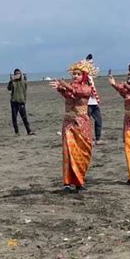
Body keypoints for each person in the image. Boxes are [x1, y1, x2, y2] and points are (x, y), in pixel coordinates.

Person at [49, 59, 96, 193]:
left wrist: (64, 85)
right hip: (68, 123)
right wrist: (59, 88)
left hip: (82, 123)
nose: (75, 76)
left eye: (78, 74)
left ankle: (79, 181)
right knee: (68, 151)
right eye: (74, 74)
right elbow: (68, 94)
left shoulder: (87, 88)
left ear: (84, 76)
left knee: (82, 152)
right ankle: (67, 183)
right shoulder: (70, 87)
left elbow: (79, 92)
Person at [7, 68, 35, 136]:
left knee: (24, 117)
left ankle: (29, 131)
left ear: (21, 74)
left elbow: (25, 85)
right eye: (16, 74)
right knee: (14, 118)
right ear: (14, 75)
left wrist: (25, 77)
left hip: (21, 101)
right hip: (14, 102)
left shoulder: (23, 81)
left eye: (19, 73)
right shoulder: (13, 82)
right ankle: (17, 132)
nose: (18, 75)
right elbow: (9, 88)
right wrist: (11, 81)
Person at [87, 75, 104, 145]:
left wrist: (97, 100)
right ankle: (88, 139)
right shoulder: (81, 77)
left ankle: (98, 138)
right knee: (86, 122)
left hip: (94, 102)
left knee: (98, 120)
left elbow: (93, 89)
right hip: (86, 103)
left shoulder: (90, 77)